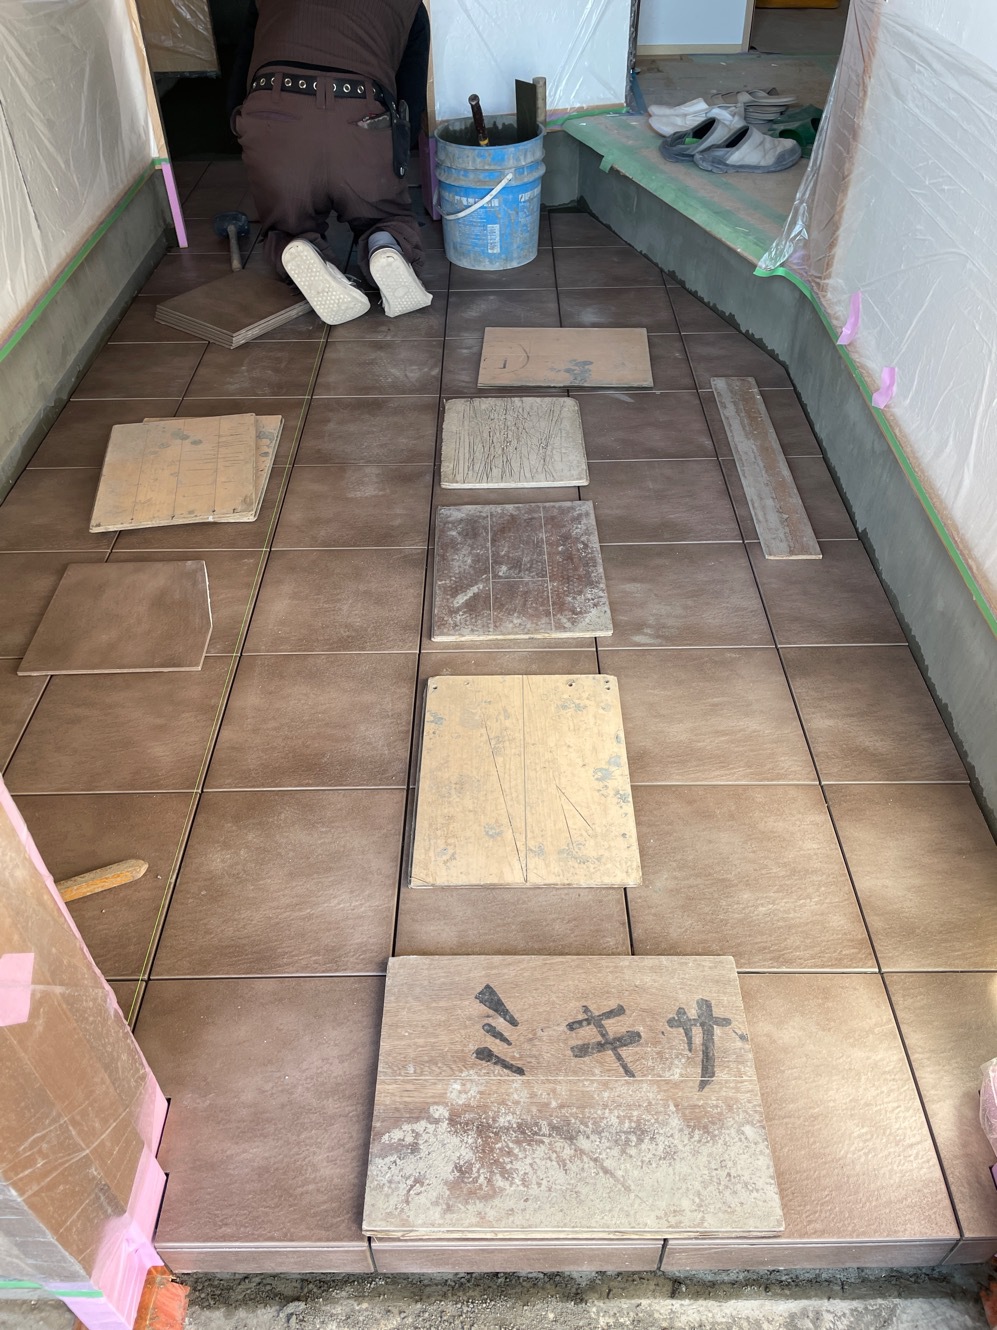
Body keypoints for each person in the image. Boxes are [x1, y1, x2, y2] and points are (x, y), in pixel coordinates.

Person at [230, 0, 431, 324]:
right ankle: (386, 245)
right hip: (359, 119)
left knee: (286, 224)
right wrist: (390, 155)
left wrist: (247, 136)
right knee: (383, 213)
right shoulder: (411, 7)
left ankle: (301, 248)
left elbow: (240, 72)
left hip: (272, 121)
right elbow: (412, 98)